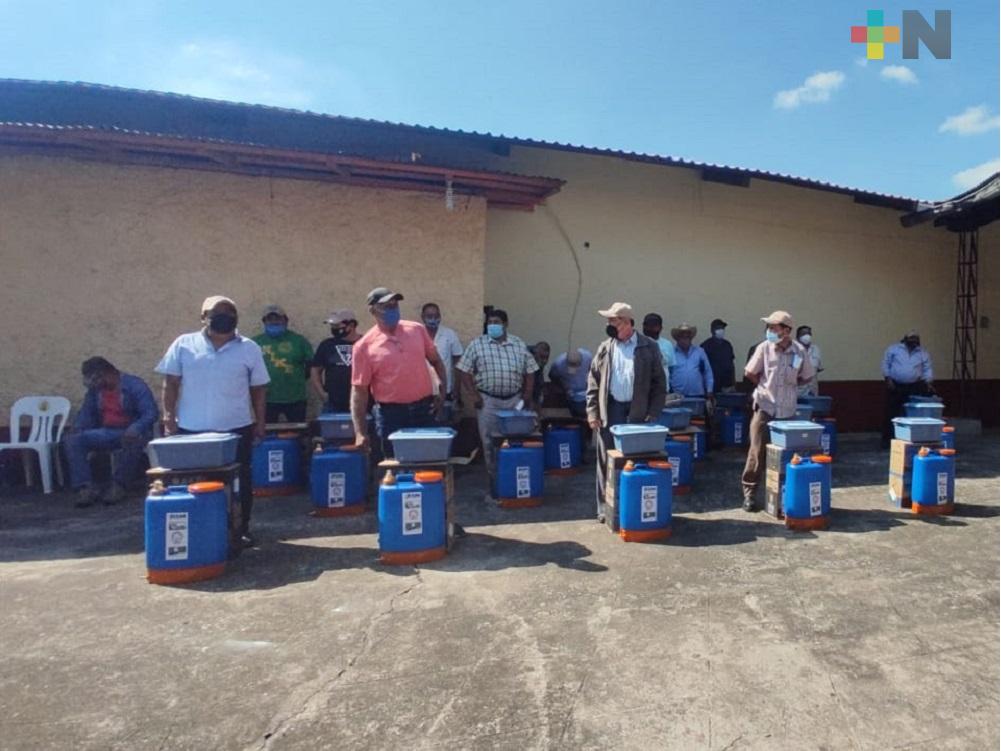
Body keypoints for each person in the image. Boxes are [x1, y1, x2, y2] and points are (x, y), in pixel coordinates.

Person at [156, 295, 270, 549]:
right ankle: (200, 531)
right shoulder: (183, 344)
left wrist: (260, 422)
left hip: (236, 429)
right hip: (191, 430)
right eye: (217, 312)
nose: (224, 316)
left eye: (230, 312)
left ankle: (240, 529)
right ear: (203, 317)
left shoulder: (249, 348)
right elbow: (170, 383)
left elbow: (259, 390)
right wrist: (168, 417)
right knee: (193, 484)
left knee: (239, 482)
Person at [586, 302, 668, 522]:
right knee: (606, 459)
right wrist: (593, 412)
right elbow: (593, 381)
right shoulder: (605, 347)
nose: (609, 325)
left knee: (634, 460)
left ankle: (628, 507)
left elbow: (659, 383)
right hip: (610, 409)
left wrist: (654, 411)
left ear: (626, 322)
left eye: (613, 321)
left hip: (637, 411)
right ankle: (604, 508)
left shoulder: (648, 346)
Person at [350, 287, 447, 457]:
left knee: (429, 462)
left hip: (424, 410)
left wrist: (442, 393)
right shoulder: (364, 347)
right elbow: (359, 391)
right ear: (373, 311)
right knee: (395, 464)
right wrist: (360, 432)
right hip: (391, 416)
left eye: (395, 305)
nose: (392, 309)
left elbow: (437, 362)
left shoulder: (416, 330)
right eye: (386, 306)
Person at [741, 311, 816, 512]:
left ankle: (781, 496)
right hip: (765, 408)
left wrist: (792, 386)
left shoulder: (799, 351)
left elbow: (807, 376)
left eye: (774, 328)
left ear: (786, 331)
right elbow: (749, 372)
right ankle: (750, 494)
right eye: (769, 327)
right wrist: (764, 386)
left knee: (785, 456)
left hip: (787, 412)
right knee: (757, 452)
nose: (770, 331)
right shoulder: (764, 348)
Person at [457, 309, 538, 486]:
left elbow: (531, 371)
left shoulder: (518, 344)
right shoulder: (477, 344)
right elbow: (463, 370)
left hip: (514, 401)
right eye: (490, 322)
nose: (493, 325)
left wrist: (527, 395)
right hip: (488, 402)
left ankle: (513, 477)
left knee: (515, 440)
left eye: (497, 322)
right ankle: (494, 482)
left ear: (505, 324)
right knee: (489, 442)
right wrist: (474, 395)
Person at [64, 357, 159, 508]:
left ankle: (119, 485)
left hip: (132, 431)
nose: (95, 383)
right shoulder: (95, 391)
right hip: (106, 432)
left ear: (108, 373)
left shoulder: (135, 385)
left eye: (97, 378)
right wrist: (77, 428)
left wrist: (135, 428)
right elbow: (86, 414)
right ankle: (84, 488)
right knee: (73, 440)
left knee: (134, 440)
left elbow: (150, 413)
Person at [252, 304, 313, 423]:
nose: (274, 322)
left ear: (286, 320)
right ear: (264, 322)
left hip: (295, 398)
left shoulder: (299, 341)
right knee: (268, 431)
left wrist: (297, 379)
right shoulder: (255, 343)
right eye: (270, 319)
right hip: (266, 399)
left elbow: (311, 365)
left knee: (298, 431)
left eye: (278, 318)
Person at [881, 330, 934, 448]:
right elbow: (885, 364)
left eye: (916, 339)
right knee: (891, 413)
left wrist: (928, 382)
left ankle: (910, 440)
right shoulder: (894, 349)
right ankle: (887, 441)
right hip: (895, 385)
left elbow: (927, 368)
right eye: (911, 339)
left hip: (914, 387)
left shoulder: (923, 353)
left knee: (912, 414)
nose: (914, 341)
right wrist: (888, 379)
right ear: (905, 339)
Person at [311, 309, 361, 412]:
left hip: (362, 401)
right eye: (332, 326)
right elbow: (315, 370)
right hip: (333, 403)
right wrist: (322, 393)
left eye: (337, 326)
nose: (334, 329)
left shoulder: (366, 343)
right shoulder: (327, 345)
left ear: (351, 325)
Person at [421, 302, 463, 409]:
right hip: (422, 391)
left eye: (436, 316)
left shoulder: (449, 334)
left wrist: (456, 387)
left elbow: (458, 363)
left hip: (445, 389)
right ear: (422, 317)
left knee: (444, 416)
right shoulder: (417, 334)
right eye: (429, 316)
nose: (433, 319)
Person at [669, 323, 714, 398]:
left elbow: (708, 372)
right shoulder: (671, 353)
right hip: (677, 396)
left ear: (691, 338)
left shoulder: (700, 352)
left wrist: (709, 390)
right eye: (682, 337)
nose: (685, 339)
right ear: (677, 338)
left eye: (687, 337)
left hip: (698, 395)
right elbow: (668, 374)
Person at [549, 348, 593, 419]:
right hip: (570, 391)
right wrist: (564, 387)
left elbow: (593, 370)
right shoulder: (558, 364)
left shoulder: (588, 357)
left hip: (585, 389)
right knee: (577, 409)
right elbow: (552, 376)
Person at [701, 318, 736, 393]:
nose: (721, 330)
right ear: (712, 330)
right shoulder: (705, 346)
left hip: (727, 386)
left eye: (722, 328)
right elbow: (701, 368)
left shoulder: (727, 345)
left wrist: (733, 383)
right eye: (718, 328)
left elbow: (731, 365)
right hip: (712, 386)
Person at [642, 313, 676, 386]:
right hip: (643, 389)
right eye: (647, 325)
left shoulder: (667, 344)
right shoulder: (637, 344)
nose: (649, 328)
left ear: (660, 328)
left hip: (662, 388)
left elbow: (671, 368)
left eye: (653, 325)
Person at [796, 325, 824, 397]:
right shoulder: (794, 351)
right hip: (798, 392)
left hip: (813, 391)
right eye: (803, 334)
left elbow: (818, 369)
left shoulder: (816, 349)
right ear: (798, 337)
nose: (807, 336)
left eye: (808, 333)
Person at [530, 341, 551, 407]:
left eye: (547, 357)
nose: (545, 361)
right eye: (542, 357)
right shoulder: (525, 358)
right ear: (534, 354)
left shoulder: (539, 364)